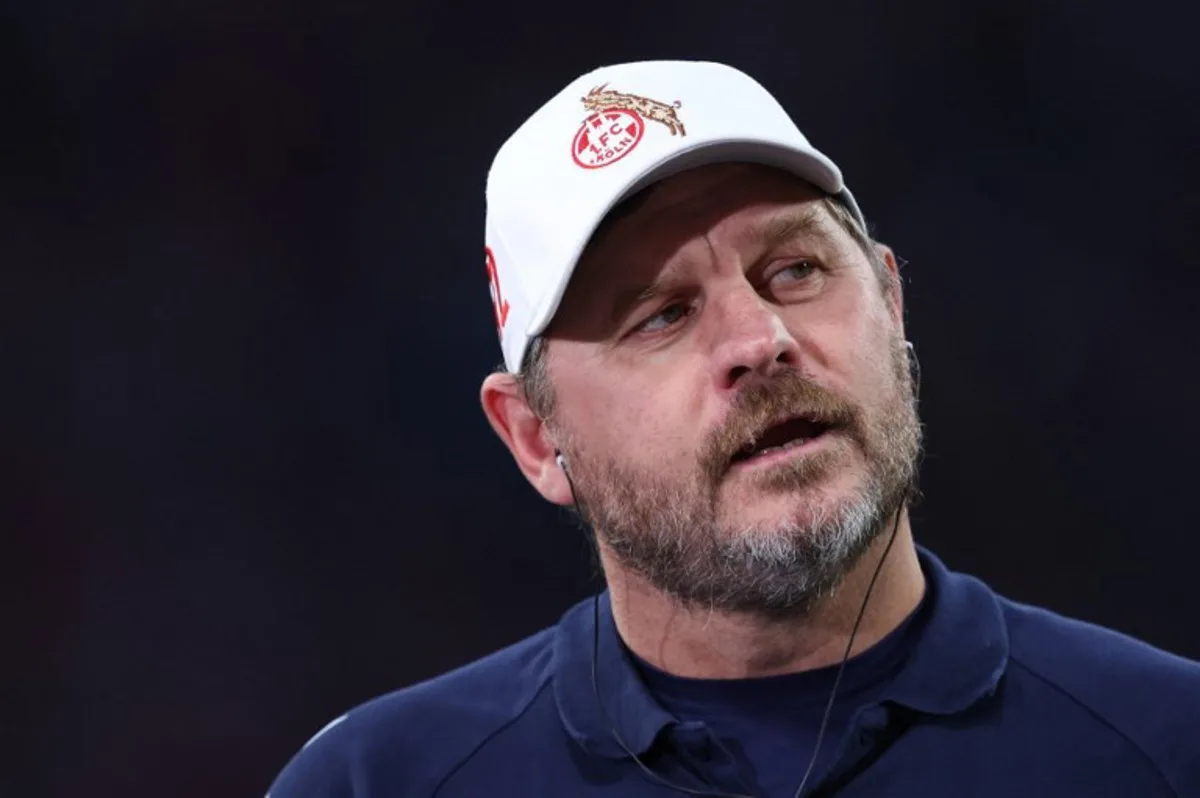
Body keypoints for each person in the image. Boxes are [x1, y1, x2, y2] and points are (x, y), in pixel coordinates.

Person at [266, 60, 1200, 798]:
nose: (761, 341)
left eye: (794, 269)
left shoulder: (1170, 747)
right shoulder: (376, 783)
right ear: (538, 439)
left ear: (891, 301)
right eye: (661, 314)